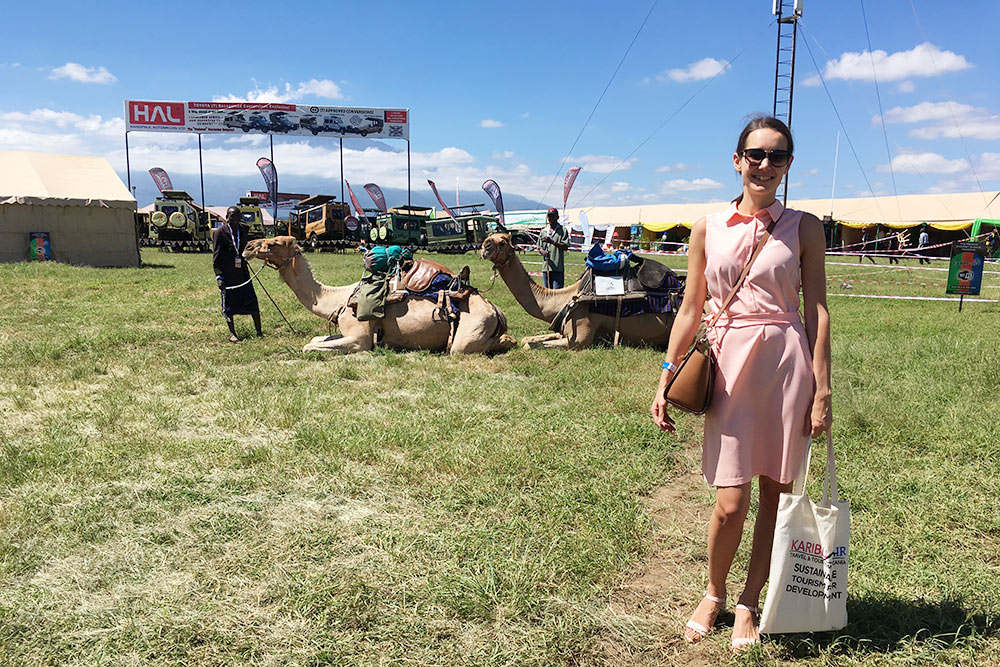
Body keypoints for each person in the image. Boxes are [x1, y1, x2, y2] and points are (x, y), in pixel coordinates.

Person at [650, 116, 832, 653]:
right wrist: (666, 377)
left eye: (778, 156)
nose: (765, 165)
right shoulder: (708, 226)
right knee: (731, 500)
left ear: (789, 165)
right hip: (728, 367)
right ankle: (713, 591)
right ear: (736, 159)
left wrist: (822, 391)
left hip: (785, 366)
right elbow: (688, 310)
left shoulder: (805, 226)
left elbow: (818, 310)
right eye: (755, 154)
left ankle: (749, 601)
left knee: (775, 497)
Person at [213, 206, 262, 342]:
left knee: (252, 301)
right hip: (228, 275)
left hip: (243, 274)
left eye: (237, 216)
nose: (234, 219)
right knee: (229, 305)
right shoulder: (219, 233)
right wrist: (219, 276)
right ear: (227, 217)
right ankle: (232, 333)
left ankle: (259, 332)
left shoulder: (243, 229)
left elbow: (248, 246)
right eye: (231, 216)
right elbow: (216, 257)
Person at [536, 207, 570, 288]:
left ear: (557, 217)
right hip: (546, 267)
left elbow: (565, 247)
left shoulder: (562, 230)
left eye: (553, 216)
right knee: (547, 293)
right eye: (549, 216)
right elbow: (539, 247)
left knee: (557, 293)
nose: (551, 218)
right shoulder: (544, 231)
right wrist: (543, 252)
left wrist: (552, 242)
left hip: (557, 268)